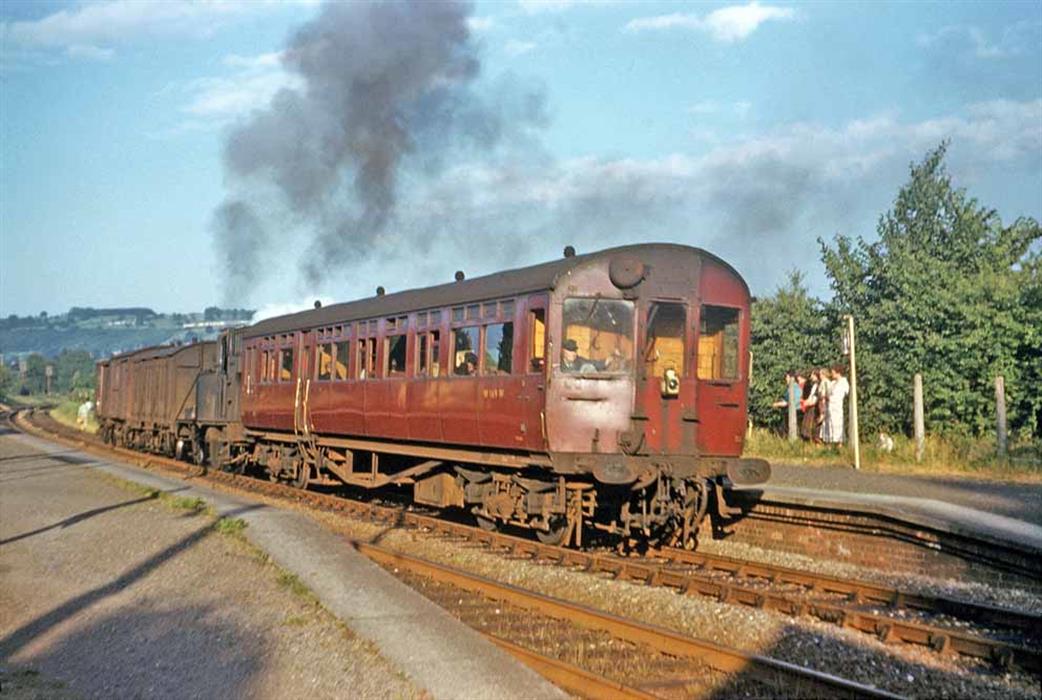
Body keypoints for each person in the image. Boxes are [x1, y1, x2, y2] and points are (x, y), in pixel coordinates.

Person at [826, 364, 849, 445]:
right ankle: (830, 442)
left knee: (838, 424)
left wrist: (831, 398)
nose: (832, 374)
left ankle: (840, 443)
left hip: (837, 406)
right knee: (830, 424)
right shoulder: (833, 383)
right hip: (830, 406)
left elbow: (841, 394)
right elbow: (828, 393)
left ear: (838, 372)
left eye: (833, 372)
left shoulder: (843, 382)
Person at [800, 369, 819, 442]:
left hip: (813, 406)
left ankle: (811, 439)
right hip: (809, 404)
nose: (811, 376)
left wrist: (807, 403)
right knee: (806, 423)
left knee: (810, 423)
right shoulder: (814, 385)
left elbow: (815, 398)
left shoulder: (818, 385)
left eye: (813, 375)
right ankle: (807, 438)